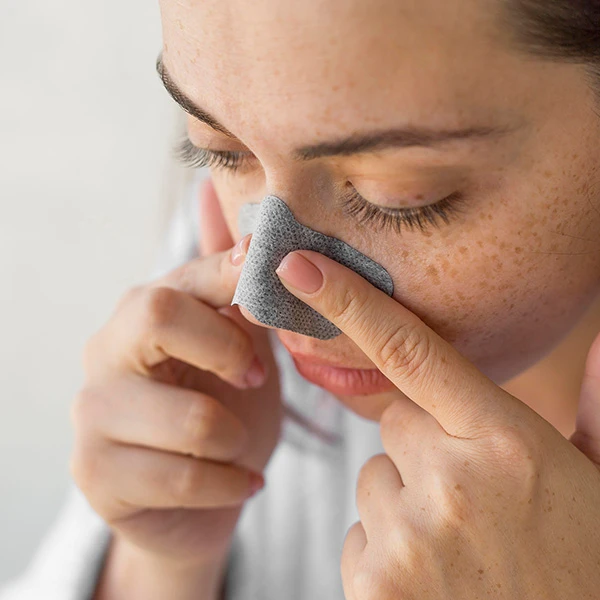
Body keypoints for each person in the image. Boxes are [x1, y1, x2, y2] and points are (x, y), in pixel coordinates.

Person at [3, 0, 600, 598]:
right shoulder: (212, 262)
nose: (260, 296)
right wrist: (160, 566)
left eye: (395, 196)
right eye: (220, 151)